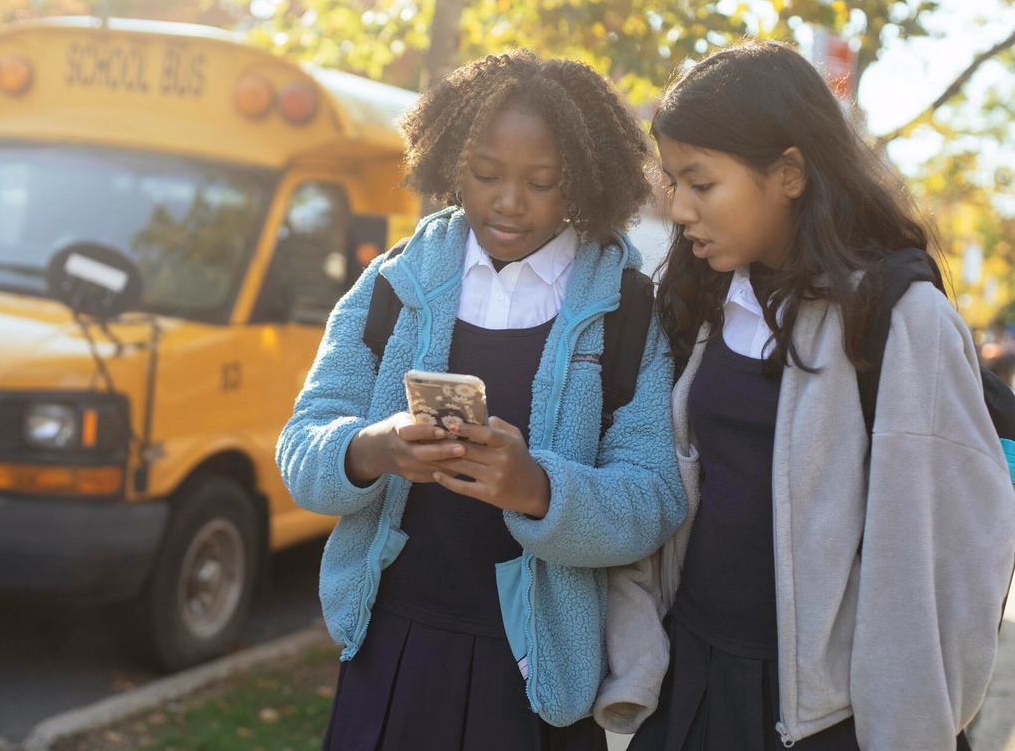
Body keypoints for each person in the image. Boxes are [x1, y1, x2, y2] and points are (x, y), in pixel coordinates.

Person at [593, 40, 1015, 751]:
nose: (679, 208)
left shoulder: (900, 318)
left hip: (828, 717)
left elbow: (940, 568)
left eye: (702, 183)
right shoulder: (701, 302)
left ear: (788, 173)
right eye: (672, 181)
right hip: (694, 685)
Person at [276, 49, 686, 751]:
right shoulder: (392, 284)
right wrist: (369, 449)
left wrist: (537, 490)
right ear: (451, 162)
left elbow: (654, 501)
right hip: (392, 646)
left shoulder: (627, 312)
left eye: (542, 181)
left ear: (582, 179)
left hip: (538, 674)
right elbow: (300, 445)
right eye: (485, 174)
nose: (508, 201)